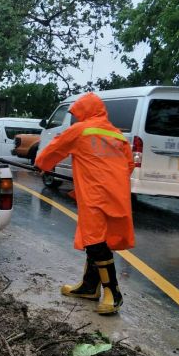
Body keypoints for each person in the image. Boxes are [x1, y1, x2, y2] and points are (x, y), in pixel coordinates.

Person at [34, 92, 135, 315]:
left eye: (78, 114)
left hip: (95, 195)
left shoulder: (81, 130)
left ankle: (113, 293)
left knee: (95, 241)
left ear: (85, 112)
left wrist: (41, 164)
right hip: (117, 193)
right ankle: (89, 287)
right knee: (101, 239)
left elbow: (53, 150)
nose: (76, 118)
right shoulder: (118, 135)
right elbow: (129, 164)